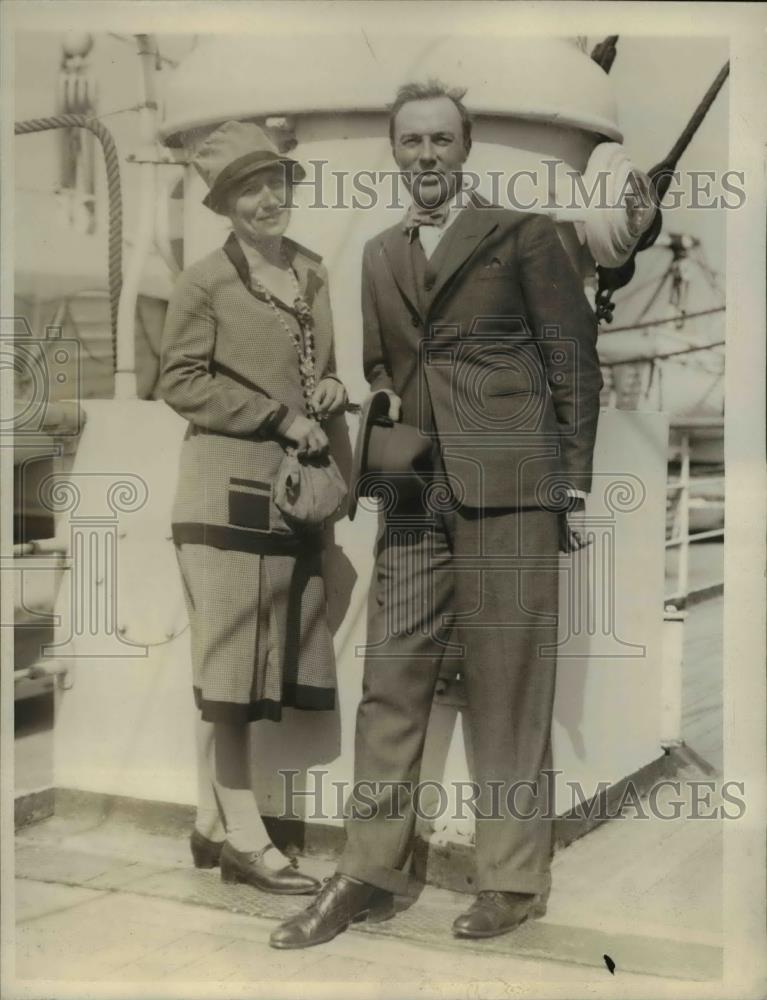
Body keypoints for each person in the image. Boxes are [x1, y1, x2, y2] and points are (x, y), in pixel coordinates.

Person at [270, 80, 602, 947]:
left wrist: (569, 484)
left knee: (508, 686)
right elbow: (386, 364)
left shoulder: (523, 234)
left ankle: (512, 880)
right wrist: (374, 406)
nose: (425, 157)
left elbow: (572, 360)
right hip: (415, 492)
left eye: (439, 142)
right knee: (390, 683)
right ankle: (367, 872)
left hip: (513, 490)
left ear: (465, 148)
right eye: (410, 142)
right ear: (394, 149)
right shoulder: (380, 252)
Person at [160, 121, 348, 895]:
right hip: (223, 494)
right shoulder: (204, 279)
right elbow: (179, 381)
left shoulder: (310, 270)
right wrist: (276, 416)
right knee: (231, 665)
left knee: (260, 661)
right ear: (225, 204)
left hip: (293, 498)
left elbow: (316, 368)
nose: (266, 199)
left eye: (274, 182)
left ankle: (209, 824)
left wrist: (328, 392)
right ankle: (243, 837)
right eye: (247, 188)